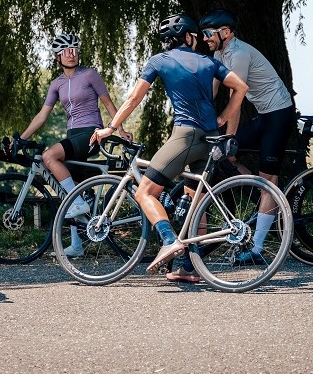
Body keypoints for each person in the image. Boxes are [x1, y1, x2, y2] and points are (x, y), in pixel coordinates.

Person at [91, 14, 248, 283]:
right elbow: (241, 87)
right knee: (193, 205)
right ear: (188, 37)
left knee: (145, 192)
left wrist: (111, 127)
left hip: (185, 136)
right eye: (195, 36)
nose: (198, 40)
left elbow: (134, 98)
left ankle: (168, 240)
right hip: (210, 138)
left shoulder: (160, 61)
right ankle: (189, 267)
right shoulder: (209, 62)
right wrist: (222, 118)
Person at [17, 33, 129, 257]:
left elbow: (108, 103)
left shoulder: (89, 75)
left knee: (50, 157)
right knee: (70, 185)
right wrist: (22, 138)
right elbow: (42, 116)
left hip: (92, 133)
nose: (71, 54)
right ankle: (77, 244)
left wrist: (120, 129)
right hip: (73, 134)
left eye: (74, 49)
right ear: (58, 57)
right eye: (66, 51)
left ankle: (77, 201)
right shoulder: (56, 84)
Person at [198, 8, 294, 266]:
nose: (205, 38)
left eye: (209, 33)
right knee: (229, 158)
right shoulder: (220, 53)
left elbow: (236, 100)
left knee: (268, 178)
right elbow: (212, 89)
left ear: (225, 32)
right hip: (264, 115)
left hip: (279, 115)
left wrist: (229, 136)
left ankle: (259, 246)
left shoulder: (238, 53)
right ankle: (262, 199)